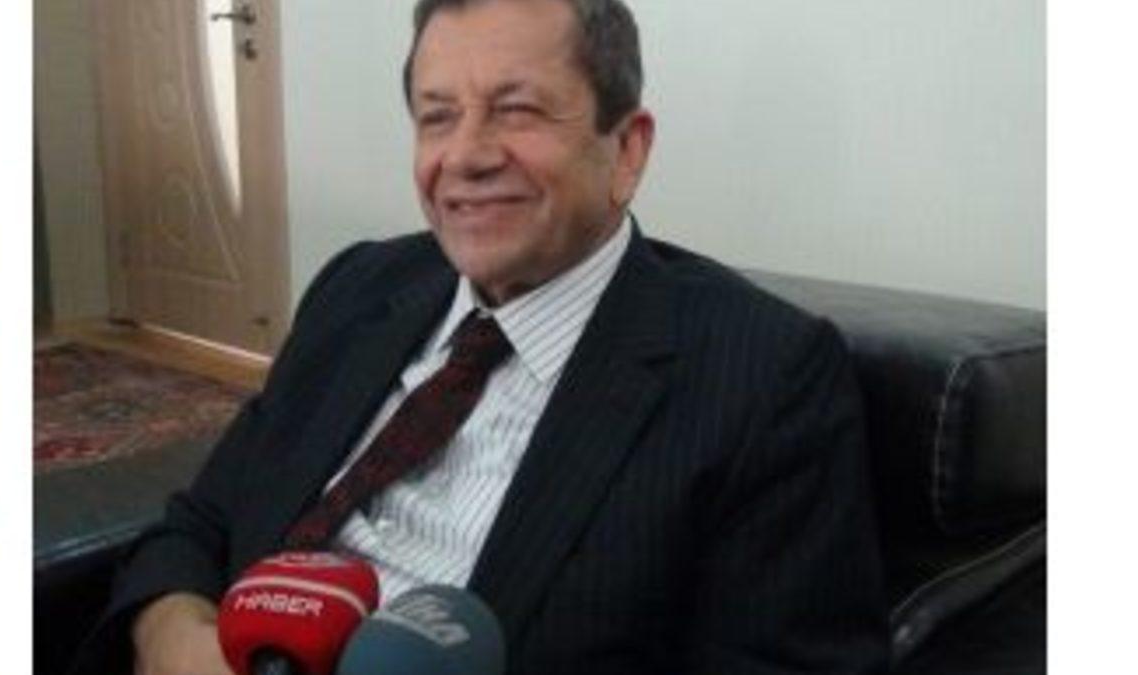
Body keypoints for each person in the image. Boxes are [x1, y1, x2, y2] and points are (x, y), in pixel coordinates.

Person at [72, 0, 888, 673]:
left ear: (626, 151)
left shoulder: (764, 374)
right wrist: (172, 635)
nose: (464, 156)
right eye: (438, 118)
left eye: (517, 109)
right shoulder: (358, 289)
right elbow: (199, 523)